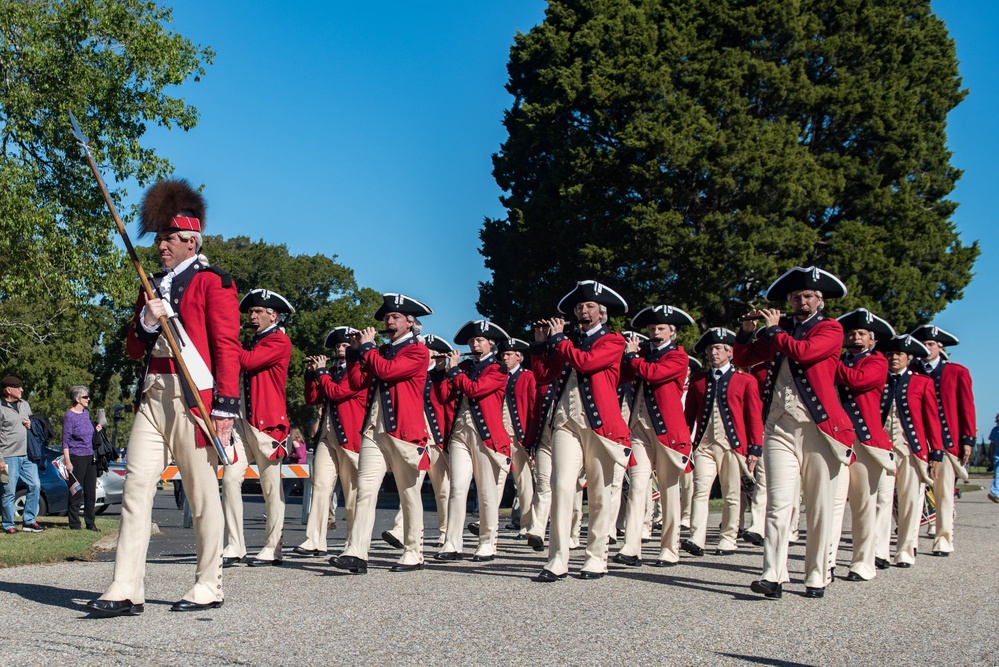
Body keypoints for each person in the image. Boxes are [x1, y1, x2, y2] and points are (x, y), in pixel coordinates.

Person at [87, 179, 241, 615]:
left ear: (191, 240)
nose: (160, 246)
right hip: (152, 396)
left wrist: (225, 408)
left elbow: (227, 348)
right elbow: (135, 348)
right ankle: (125, 585)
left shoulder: (215, 283)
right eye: (157, 238)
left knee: (200, 493)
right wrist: (149, 321)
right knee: (136, 487)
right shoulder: (150, 286)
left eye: (168, 238)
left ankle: (209, 583)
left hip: (193, 398)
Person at [735, 266, 855, 600]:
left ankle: (816, 575)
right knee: (778, 503)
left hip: (819, 428)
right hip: (779, 425)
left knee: (819, 506)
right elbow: (744, 358)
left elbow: (804, 352)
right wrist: (748, 331)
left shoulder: (831, 328)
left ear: (819, 301)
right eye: (795, 297)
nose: (801, 301)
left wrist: (772, 331)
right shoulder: (781, 330)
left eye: (807, 296)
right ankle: (772, 574)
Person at [530, 280, 631, 581]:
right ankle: (558, 558)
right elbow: (542, 374)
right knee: (562, 486)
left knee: (599, 493)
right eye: (578, 307)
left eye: (588, 307)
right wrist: (539, 341)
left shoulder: (613, 341)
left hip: (601, 426)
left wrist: (559, 340)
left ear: (602, 313)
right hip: (565, 421)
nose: (582, 311)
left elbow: (587, 363)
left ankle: (596, 557)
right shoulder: (567, 339)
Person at [329, 293, 432, 574]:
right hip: (375, 429)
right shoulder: (380, 352)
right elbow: (357, 382)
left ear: (409, 323)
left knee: (408, 493)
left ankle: (414, 552)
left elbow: (388, 372)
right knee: (365, 490)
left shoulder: (417, 351)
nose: (389, 321)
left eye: (395, 317)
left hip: (403, 432)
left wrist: (367, 348)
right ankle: (357, 552)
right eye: (387, 317)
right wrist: (353, 352)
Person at [613, 305, 694, 568]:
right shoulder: (642, 354)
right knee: (637, 486)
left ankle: (670, 549)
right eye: (651, 329)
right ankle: (631, 546)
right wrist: (627, 357)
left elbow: (653, 374)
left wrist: (634, 357)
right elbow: (621, 377)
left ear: (672, 332)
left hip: (667, 432)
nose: (655, 332)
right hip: (637, 427)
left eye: (660, 328)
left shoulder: (679, 357)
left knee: (670, 490)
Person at [221, 289, 294, 568]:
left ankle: (273, 547)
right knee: (229, 479)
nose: (252, 317)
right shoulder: (253, 342)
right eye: (250, 312)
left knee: (271, 488)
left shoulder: (279, 341)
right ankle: (235, 545)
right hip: (242, 423)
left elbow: (247, 362)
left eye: (258, 312)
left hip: (268, 427)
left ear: (272, 315)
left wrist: (227, 338)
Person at [435, 320, 512, 562]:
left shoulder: (499, 370)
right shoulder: (464, 366)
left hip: (486, 436)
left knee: (486, 491)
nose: (474, 344)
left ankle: (488, 542)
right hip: (460, 433)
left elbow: (475, 389)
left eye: (479, 340)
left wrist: (455, 369)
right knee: (457, 488)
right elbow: (444, 395)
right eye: (471, 341)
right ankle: (452, 543)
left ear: (491, 344)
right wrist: (440, 370)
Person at [682, 328, 763, 557]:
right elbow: (688, 416)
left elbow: (753, 417)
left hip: (732, 447)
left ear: (730, 352)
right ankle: (696, 538)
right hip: (704, 446)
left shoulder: (745, 380)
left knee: (731, 494)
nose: (712, 353)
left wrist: (754, 449)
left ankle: (728, 538)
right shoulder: (698, 381)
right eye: (709, 349)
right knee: (700, 491)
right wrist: (684, 443)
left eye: (717, 348)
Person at [827, 309, 895, 582]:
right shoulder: (840, 360)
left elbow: (858, 380)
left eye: (861, 334)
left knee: (863, 505)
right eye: (852, 333)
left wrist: (828, 361)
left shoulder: (877, 362)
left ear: (872, 340)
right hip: (838, 438)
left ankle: (863, 563)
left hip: (866, 443)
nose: (855, 337)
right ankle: (826, 561)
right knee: (831, 502)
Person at [296, 326, 367, 557]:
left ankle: (354, 543)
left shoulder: (358, 371)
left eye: (345, 346)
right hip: (327, 436)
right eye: (338, 347)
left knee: (352, 493)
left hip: (350, 437)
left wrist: (322, 372)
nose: (340, 349)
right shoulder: (332, 372)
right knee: (320, 486)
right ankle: (314, 540)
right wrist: (310, 375)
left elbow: (337, 393)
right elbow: (312, 398)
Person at [908, 324, 976, 556]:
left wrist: (967, 440)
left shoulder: (958, 372)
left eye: (930, 345)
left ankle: (943, 539)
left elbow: (966, 407)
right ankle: (909, 541)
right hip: (915, 440)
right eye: (923, 345)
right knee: (912, 492)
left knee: (944, 493)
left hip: (946, 442)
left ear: (940, 347)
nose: (926, 349)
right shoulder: (911, 371)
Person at [875, 334, 942, 566]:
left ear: (908, 357)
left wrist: (936, 453)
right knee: (882, 500)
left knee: (910, 501)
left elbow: (932, 420)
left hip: (911, 450)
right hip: (882, 450)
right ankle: (880, 551)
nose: (894, 358)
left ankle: (905, 550)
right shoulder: (878, 380)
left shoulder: (922, 382)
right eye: (891, 354)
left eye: (899, 354)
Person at [382, 333, 454, 549]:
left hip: (438, 440)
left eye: (431, 351)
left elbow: (447, 404)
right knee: (412, 485)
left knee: (443, 490)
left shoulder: (443, 375)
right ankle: (400, 530)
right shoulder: (410, 371)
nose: (429, 354)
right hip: (417, 439)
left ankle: (445, 533)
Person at [499, 338, 536, 537]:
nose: (505, 358)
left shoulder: (528, 376)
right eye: (503, 355)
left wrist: (531, 437)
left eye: (509, 354)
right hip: (499, 436)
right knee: (496, 478)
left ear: (519, 357)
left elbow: (532, 407)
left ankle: (526, 524)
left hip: (518, 435)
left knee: (523, 481)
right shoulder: (499, 376)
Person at [1, 376, 44, 534]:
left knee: (35, 485)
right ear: (8, 390)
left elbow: (34, 425)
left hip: (27, 455)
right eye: (18, 388)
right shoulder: (0, 408)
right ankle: (8, 524)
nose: (22, 390)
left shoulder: (24, 404)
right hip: (8, 458)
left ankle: (29, 520)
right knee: (9, 491)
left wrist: (31, 425)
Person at [62, 385, 103, 531]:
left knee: (90, 492)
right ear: (77, 398)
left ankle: (90, 523)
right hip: (76, 457)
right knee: (76, 492)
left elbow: (88, 432)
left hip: (90, 456)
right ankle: (74, 524)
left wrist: (96, 429)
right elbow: (65, 440)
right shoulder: (69, 416)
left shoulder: (86, 413)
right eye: (85, 397)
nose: (88, 399)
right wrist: (68, 461)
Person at [989, 414, 999, 504]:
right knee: (997, 475)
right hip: (997, 455)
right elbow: (992, 445)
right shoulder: (995, 430)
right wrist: (991, 456)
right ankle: (995, 493)